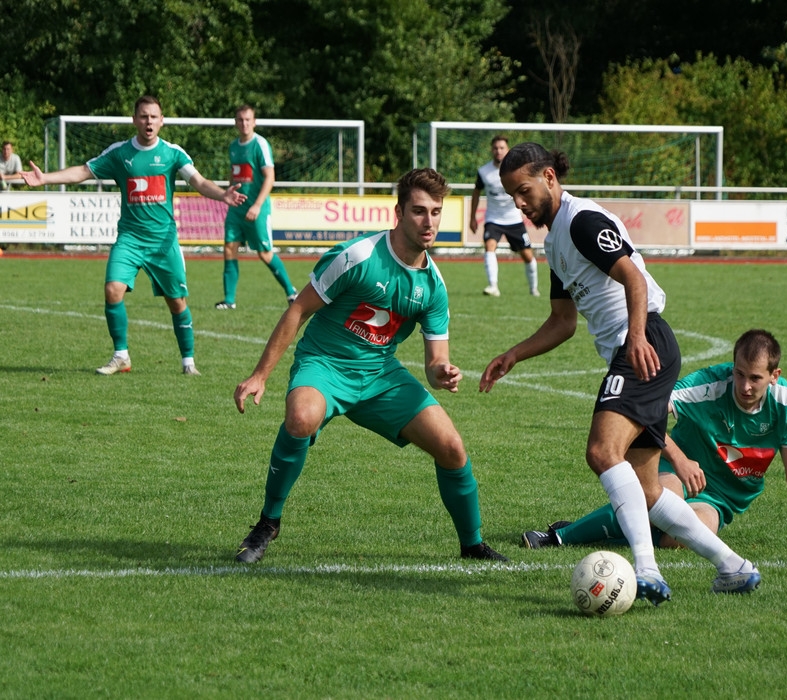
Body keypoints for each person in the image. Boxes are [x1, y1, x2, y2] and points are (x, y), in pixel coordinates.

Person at [479, 143, 760, 601]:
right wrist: (514, 354)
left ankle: (647, 570)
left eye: (524, 191)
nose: (519, 203)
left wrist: (636, 337)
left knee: (602, 451)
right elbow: (563, 322)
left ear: (549, 177)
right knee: (647, 491)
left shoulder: (582, 221)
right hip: (639, 347)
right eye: (512, 195)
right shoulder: (555, 241)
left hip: (643, 345)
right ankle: (734, 567)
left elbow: (634, 278)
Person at [233, 168, 507, 564]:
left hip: (380, 376)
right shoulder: (358, 256)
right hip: (325, 364)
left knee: (452, 448)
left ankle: (473, 545)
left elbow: (436, 361)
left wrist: (442, 373)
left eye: (435, 212)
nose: (428, 221)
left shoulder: (433, 286)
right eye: (418, 211)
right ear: (399, 212)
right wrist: (260, 375)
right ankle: (267, 523)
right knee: (301, 418)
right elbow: (299, 309)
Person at [522, 329, 787, 551]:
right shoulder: (708, 386)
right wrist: (680, 459)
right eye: (739, 374)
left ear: (774, 375)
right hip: (674, 472)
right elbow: (645, 410)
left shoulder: (785, 403)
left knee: (682, 538)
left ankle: (605, 533)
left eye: (755, 378)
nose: (744, 386)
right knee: (657, 499)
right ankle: (560, 536)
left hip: (720, 499)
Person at [20, 96, 246, 376]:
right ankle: (121, 356)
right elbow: (83, 171)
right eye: (143, 116)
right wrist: (45, 178)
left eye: (153, 117)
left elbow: (198, 181)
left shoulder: (172, 153)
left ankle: (188, 362)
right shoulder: (120, 153)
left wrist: (223, 195)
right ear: (134, 120)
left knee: (177, 302)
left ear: (161, 121)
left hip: (163, 242)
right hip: (130, 239)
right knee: (112, 289)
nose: (148, 121)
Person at [214, 105, 298, 310]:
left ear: (254, 122)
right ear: (235, 122)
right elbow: (234, 174)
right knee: (229, 248)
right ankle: (229, 300)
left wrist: (257, 205)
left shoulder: (260, 144)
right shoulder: (233, 146)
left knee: (264, 253)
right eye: (240, 120)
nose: (244, 123)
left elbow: (270, 177)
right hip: (236, 209)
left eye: (247, 119)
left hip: (257, 209)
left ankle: (291, 292)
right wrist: (230, 194)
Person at [469, 135, 539, 297]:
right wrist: (472, 217)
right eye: (495, 148)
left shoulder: (517, 170)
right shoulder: (484, 172)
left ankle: (533, 289)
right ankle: (493, 286)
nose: (498, 151)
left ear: (508, 150)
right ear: (491, 150)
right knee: (489, 246)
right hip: (493, 218)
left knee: (528, 256)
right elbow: (476, 192)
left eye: (502, 148)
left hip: (514, 219)